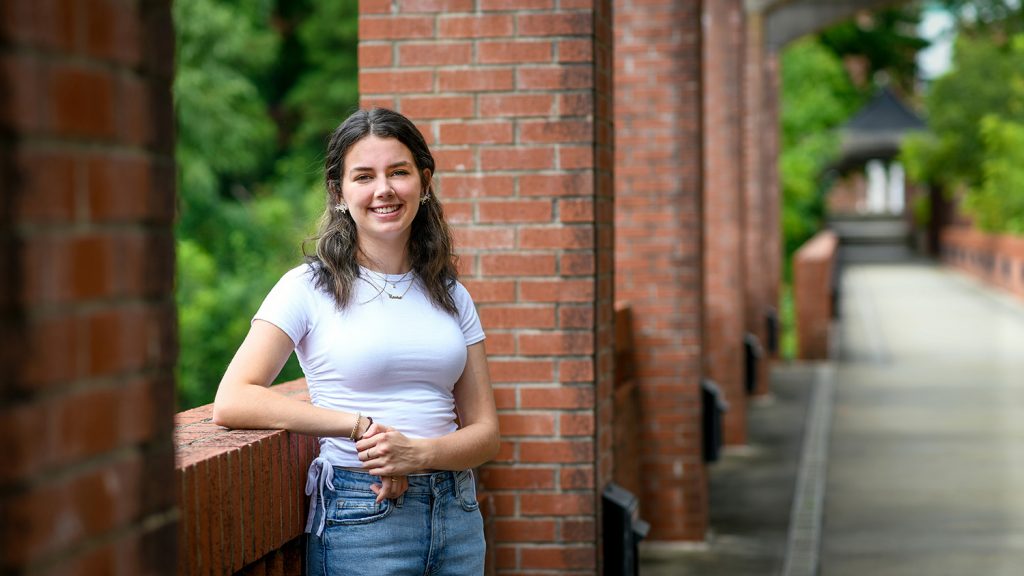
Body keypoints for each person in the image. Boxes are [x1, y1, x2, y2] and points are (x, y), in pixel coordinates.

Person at [212, 108, 500, 575]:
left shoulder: (451, 293)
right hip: (361, 513)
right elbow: (233, 399)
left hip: (458, 514)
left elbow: (486, 434)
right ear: (339, 191)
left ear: (424, 182)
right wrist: (360, 427)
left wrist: (418, 454)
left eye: (399, 172)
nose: (383, 189)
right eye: (363, 176)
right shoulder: (307, 287)